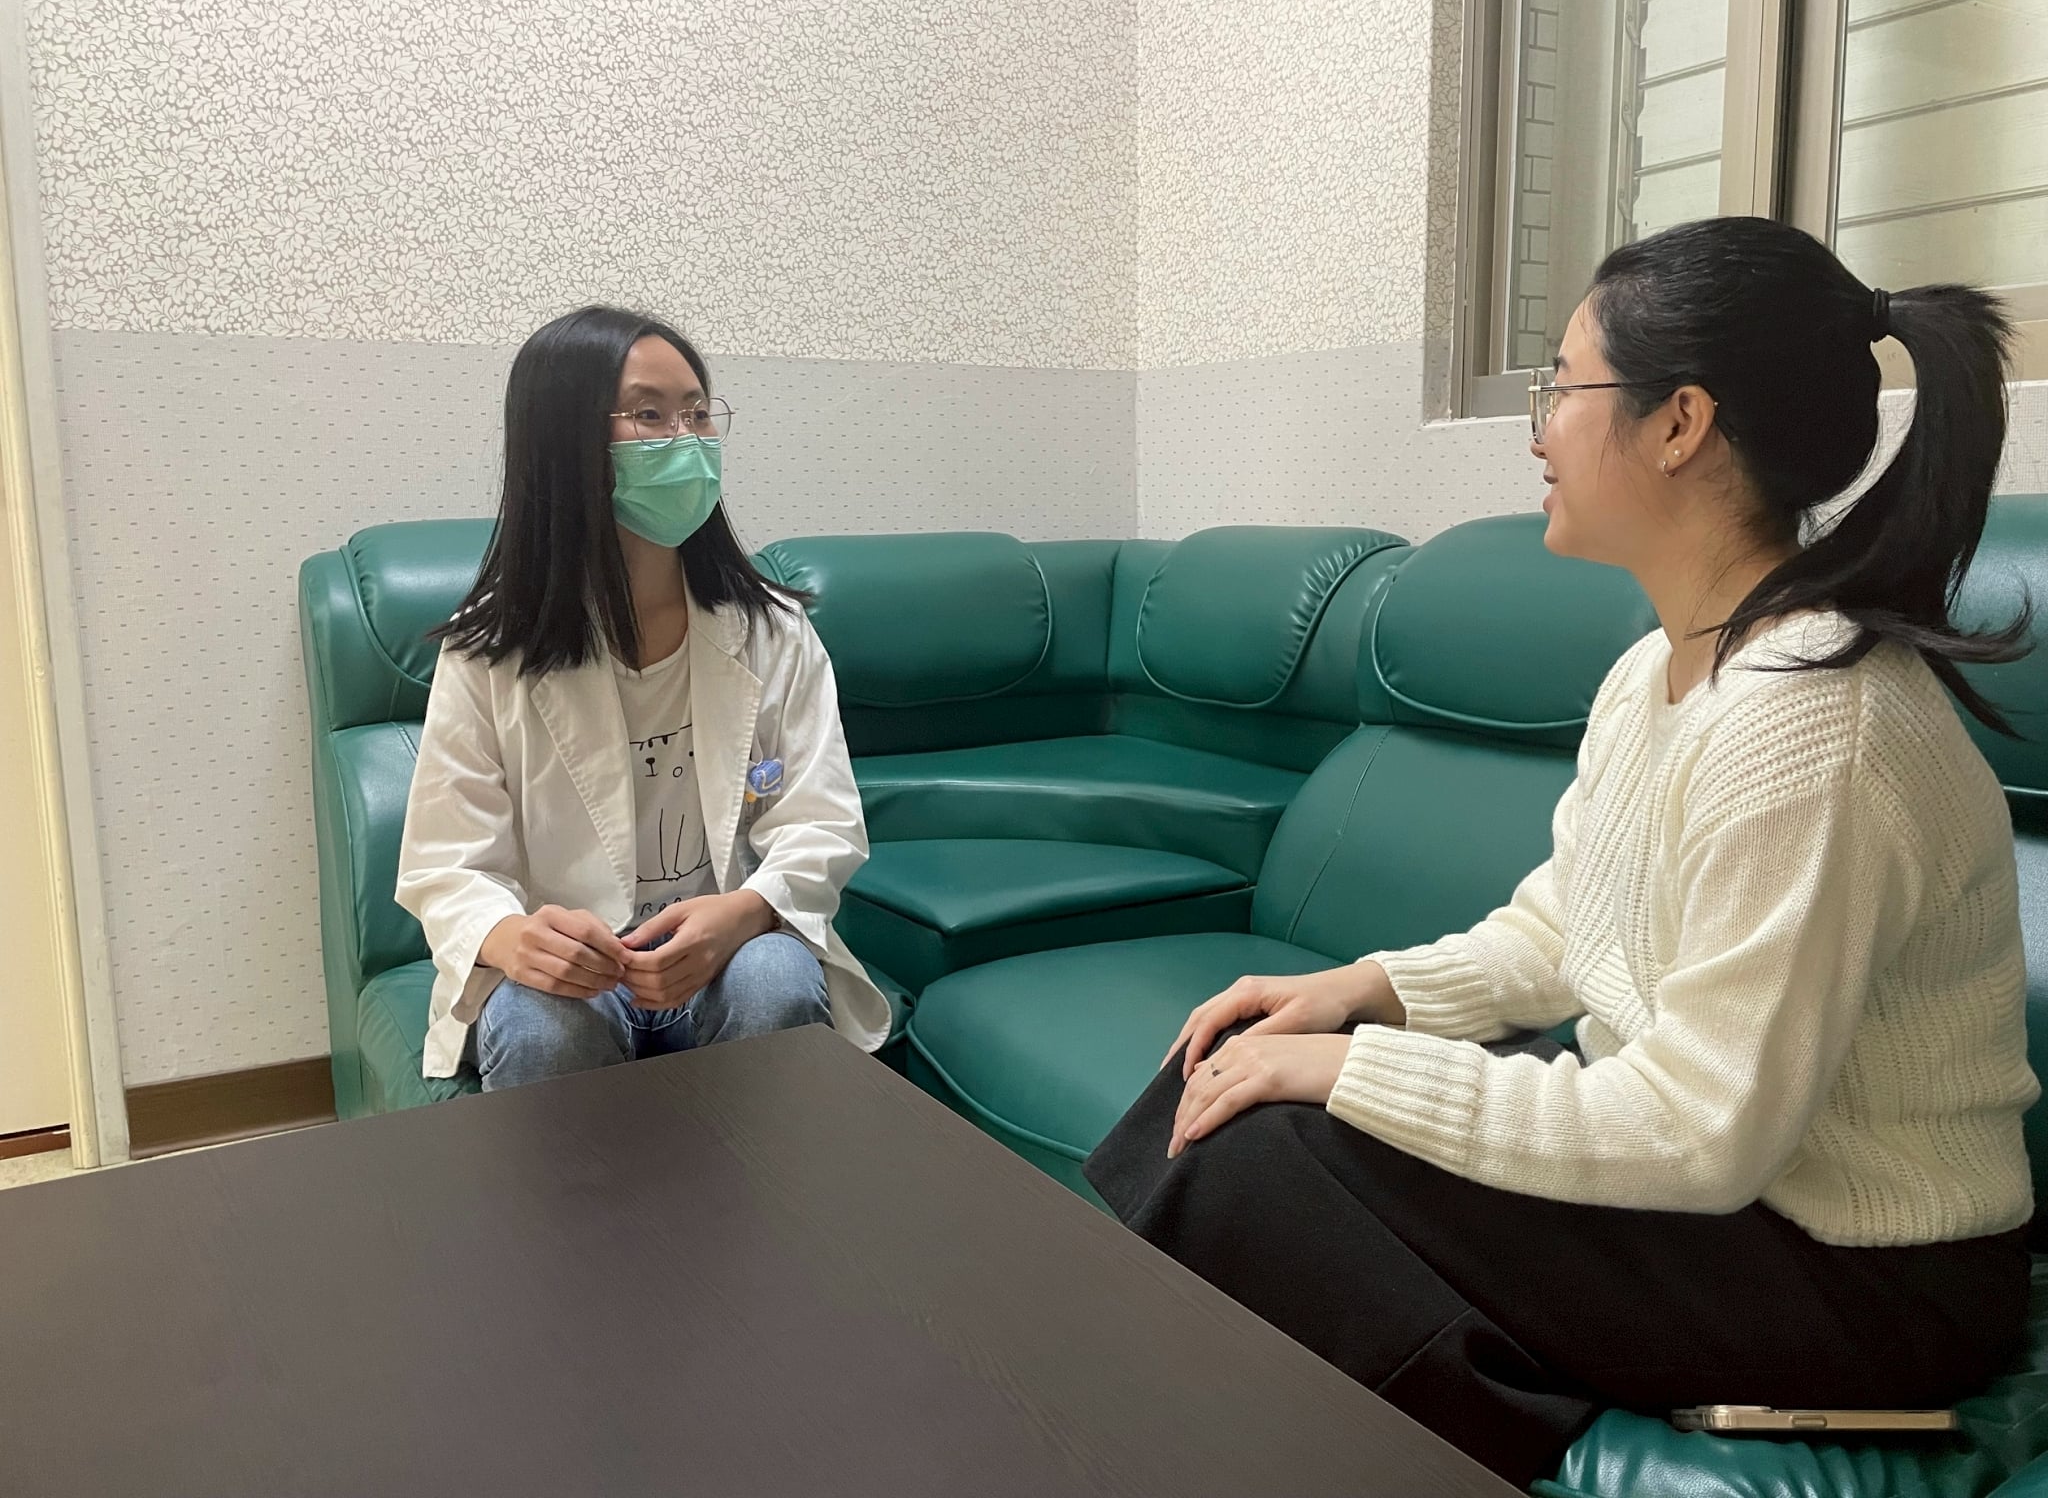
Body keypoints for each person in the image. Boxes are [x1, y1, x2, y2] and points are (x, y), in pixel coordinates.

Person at [1083, 216, 2041, 1485]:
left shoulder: (1815, 724)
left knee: (1256, 1157)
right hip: (1727, 1192)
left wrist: (1352, 1070)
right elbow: (1560, 929)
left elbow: (1700, 1128)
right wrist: (1360, 994)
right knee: (1222, 1072)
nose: (1536, 431)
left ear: (1678, 423)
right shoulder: (1656, 670)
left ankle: (1436, 1440)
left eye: (1562, 386)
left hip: (1866, 1272)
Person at [396, 306, 889, 1092]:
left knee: (773, 978)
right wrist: (512, 936)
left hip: (722, 959)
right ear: (565, 443)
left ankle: (761, 1179)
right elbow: (447, 862)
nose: (686, 439)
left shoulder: (772, 631)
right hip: (578, 976)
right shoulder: (489, 653)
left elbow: (821, 820)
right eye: (649, 415)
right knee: (541, 1020)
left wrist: (747, 911)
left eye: (697, 412)